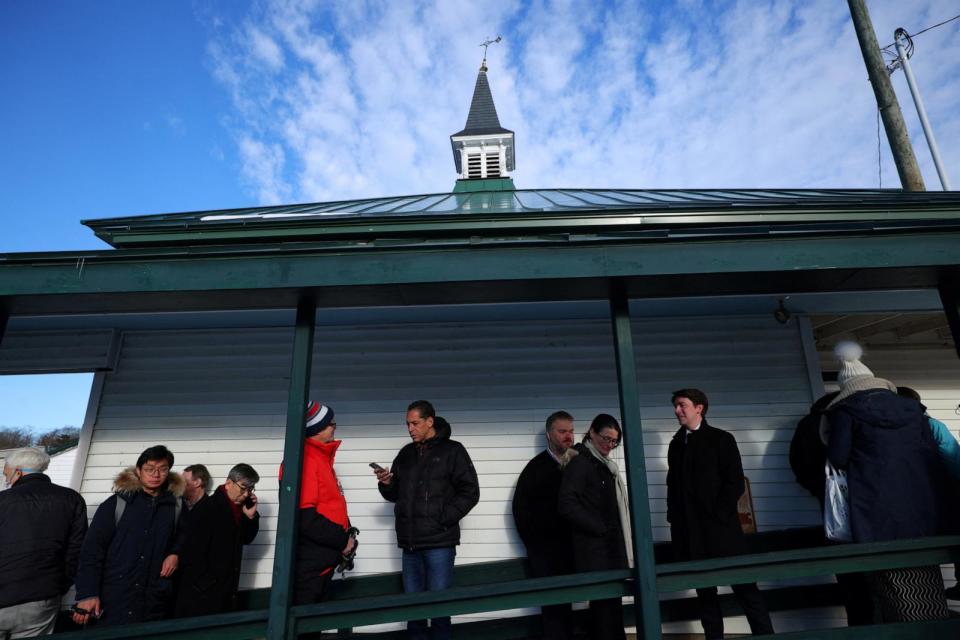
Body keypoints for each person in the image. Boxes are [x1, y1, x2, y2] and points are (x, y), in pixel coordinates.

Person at [824, 342, 950, 622]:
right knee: (925, 575)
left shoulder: (846, 413)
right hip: (920, 505)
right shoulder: (913, 409)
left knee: (890, 581)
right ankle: (934, 625)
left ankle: (907, 626)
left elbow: (839, 457)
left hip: (876, 508)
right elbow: (931, 452)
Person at [667, 389, 773, 639]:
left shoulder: (721, 439)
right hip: (692, 536)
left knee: (746, 590)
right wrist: (675, 521)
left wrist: (719, 514)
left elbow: (734, 482)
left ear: (699, 408)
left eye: (682, 405)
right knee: (706, 596)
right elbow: (674, 487)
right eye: (675, 406)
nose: (677, 410)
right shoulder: (676, 444)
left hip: (723, 532)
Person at [374, 400, 479, 640]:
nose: (410, 429)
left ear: (430, 421)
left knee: (440, 609)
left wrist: (442, 519)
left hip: (439, 544)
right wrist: (387, 483)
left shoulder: (453, 451)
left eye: (415, 423)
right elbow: (396, 494)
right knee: (414, 610)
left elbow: (470, 491)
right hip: (410, 546)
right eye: (407, 424)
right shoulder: (406, 453)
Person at [73, 445, 184, 627]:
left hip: (153, 603)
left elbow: (184, 536)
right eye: (149, 469)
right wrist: (88, 594)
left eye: (162, 469)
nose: (156, 475)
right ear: (139, 471)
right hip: (114, 602)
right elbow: (91, 553)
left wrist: (175, 553)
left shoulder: (176, 506)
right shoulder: (116, 505)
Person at [789, 391, 874, 626]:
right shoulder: (849, 418)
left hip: (830, 509)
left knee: (848, 576)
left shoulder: (806, 426)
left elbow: (798, 464)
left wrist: (819, 489)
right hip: (865, 505)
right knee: (876, 571)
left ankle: (858, 624)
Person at [558, 414, 631, 640]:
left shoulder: (603, 464)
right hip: (596, 554)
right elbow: (566, 503)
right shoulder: (581, 462)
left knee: (610, 612)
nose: (609, 445)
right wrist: (600, 527)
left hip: (608, 552)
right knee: (605, 615)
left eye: (614, 441)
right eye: (605, 438)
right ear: (591, 432)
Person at [0, 448, 87, 638]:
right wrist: (58, 586)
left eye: (6, 473)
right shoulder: (72, 499)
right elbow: (76, 551)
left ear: (18, 471)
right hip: (42, 597)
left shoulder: (3, 500)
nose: (6, 479)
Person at [282, 401, 356, 605]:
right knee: (305, 626)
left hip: (323, 560)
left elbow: (330, 503)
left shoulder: (320, 458)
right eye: (330, 423)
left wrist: (347, 533)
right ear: (316, 428)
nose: (335, 426)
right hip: (311, 564)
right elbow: (305, 517)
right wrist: (342, 540)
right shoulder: (306, 460)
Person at [512, 411, 576, 640]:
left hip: (576, 550)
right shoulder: (535, 469)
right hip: (547, 554)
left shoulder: (579, 464)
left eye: (571, 431)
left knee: (576, 607)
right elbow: (520, 512)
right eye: (562, 431)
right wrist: (537, 546)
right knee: (553, 610)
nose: (568, 436)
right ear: (549, 435)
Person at [896, 386, 960, 601]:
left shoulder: (883, 429)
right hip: (938, 496)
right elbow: (954, 460)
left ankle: (918, 599)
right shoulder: (931, 425)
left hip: (902, 502)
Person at [173, 463, 260, 617]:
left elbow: (246, 538)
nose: (246, 494)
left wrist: (250, 517)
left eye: (250, 489)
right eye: (243, 488)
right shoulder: (208, 508)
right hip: (203, 597)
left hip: (225, 594)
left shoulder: (240, 509)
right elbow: (191, 553)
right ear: (228, 484)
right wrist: (207, 585)